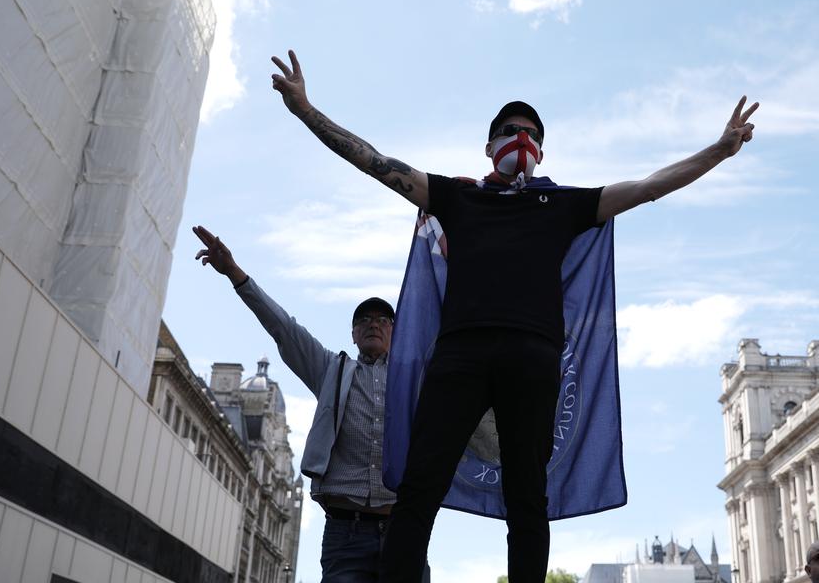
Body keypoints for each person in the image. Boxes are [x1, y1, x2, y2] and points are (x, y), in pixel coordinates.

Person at [268, 49, 759, 583]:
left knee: (528, 500)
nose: (520, 138)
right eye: (509, 129)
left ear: (542, 153)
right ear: (489, 145)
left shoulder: (564, 205)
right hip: (461, 356)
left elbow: (646, 188)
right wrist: (305, 111)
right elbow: (376, 162)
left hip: (532, 360)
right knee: (419, 488)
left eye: (530, 132)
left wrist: (719, 150)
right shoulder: (456, 196)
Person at [193, 225, 425, 582]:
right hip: (345, 534)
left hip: (404, 530)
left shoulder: (415, 379)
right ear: (353, 334)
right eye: (363, 320)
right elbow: (283, 327)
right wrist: (235, 274)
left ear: (397, 329)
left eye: (382, 319)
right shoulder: (332, 370)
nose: (372, 325)